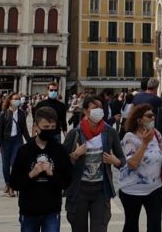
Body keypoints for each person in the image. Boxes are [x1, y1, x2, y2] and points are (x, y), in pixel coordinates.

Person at [62, 95, 126, 232]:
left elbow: (122, 159)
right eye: (94, 108)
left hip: (101, 191)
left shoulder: (109, 132)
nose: (99, 111)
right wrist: (75, 154)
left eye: (101, 108)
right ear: (85, 111)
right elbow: (61, 162)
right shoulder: (74, 134)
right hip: (79, 190)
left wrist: (116, 161)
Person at [10, 107, 74, 232]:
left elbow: (67, 182)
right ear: (36, 126)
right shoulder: (24, 150)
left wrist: (52, 174)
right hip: (29, 209)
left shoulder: (60, 150)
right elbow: (14, 182)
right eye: (45, 127)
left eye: (52, 127)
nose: (49, 130)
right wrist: (32, 174)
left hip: (51, 208)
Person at [117, 104, 162, 232]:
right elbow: (132, 163)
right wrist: (144, 143)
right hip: (132, 190)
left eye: (153, 115)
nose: (152, 118)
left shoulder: (156, 134)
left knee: (155, 226)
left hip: (154, 188)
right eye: (149, 116)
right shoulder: (129, 138)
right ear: (139, 120)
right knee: (131, 225)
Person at [0, 93, 30, 197]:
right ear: (10, 100)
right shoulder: (4, 113)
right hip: (5, 141)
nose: (17, 100)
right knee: (5, 165)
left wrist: (30, 142)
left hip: (17, 141)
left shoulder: (21, 113)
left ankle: (12, 186)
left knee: (15, 163)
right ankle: (7, 183)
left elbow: (24, 129)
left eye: (19, 99)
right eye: (15, 99)